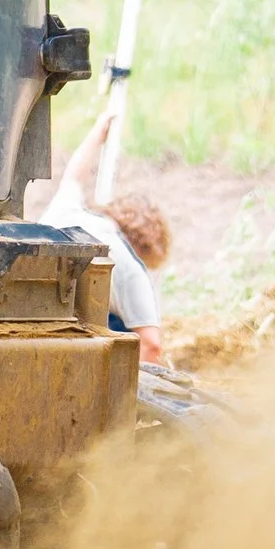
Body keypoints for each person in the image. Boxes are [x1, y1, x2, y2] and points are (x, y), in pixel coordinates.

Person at [27, 94, 173, 362]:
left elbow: (74, 174)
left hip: (26, 317)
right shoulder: (129, 268)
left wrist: (99, 129)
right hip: (73, 350)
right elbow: (152, 345)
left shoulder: (66, 208)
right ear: (142, 249)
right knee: (125, 329)